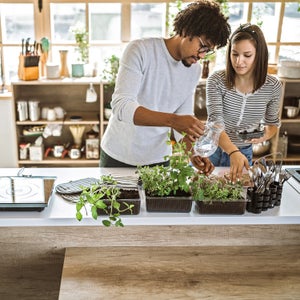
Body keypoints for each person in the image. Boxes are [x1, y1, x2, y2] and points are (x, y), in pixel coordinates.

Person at [100, 0, 231, 175]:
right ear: (187, 30)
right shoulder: (140, 50)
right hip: (118, 156)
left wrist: (192, 152)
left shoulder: (194, 70)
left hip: (159, 161)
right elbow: (121, 106)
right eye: (202, 46)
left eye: (208, 51)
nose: (201, 55)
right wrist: (174, 120)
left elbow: (182, 118)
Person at [206, 23, 282, 182]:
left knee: (235, 199)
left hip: (243, 153)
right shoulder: (216, 81)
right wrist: (233, 151)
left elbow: (272, 124)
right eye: (234, 54)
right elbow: (215, 123)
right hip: (211, 149)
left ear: (259, 55)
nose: (239, 61)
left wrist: (262, 136)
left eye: (247, 55)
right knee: (204, 196)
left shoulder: (273, 86)